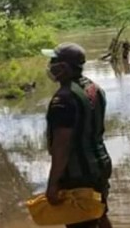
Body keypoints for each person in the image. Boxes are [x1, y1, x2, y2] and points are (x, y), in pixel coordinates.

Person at [41, 43, 113, 228]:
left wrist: (53, 184)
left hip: (77, 174)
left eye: (53, 61)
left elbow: (61, 147)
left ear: (63, 67)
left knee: (81, 223)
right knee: (100, 215)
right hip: (100, 165)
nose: (49, 65)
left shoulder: (63, 100)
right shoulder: (94, 89)